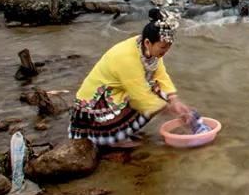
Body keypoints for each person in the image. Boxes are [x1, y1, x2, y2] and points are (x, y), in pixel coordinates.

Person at [69, 8, 196, 148]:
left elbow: (161, 75)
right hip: (95, 104)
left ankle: (122, 131)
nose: (165, 51)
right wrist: (171, 109)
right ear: (148, 43)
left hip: (117, 91)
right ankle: (114, 138)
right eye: (163, 47)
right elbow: (140, 96)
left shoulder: (146, 49)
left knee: (158, 91)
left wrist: (175, 100)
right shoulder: (126, 57)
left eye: (168, 47)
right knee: (152, 97)